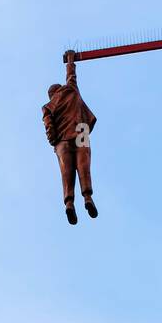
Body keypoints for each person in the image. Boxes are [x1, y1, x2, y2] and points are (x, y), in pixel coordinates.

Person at [42, 50, 98, 225]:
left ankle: (69, 203)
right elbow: (71, 76)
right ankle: (88, 198)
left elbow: (47, 122)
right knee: (84, 167)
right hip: (80, 131)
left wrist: (53, 139)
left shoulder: (49, 105)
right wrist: (70, 61)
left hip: (63, 141)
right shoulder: (70, 89)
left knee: (66, 173)